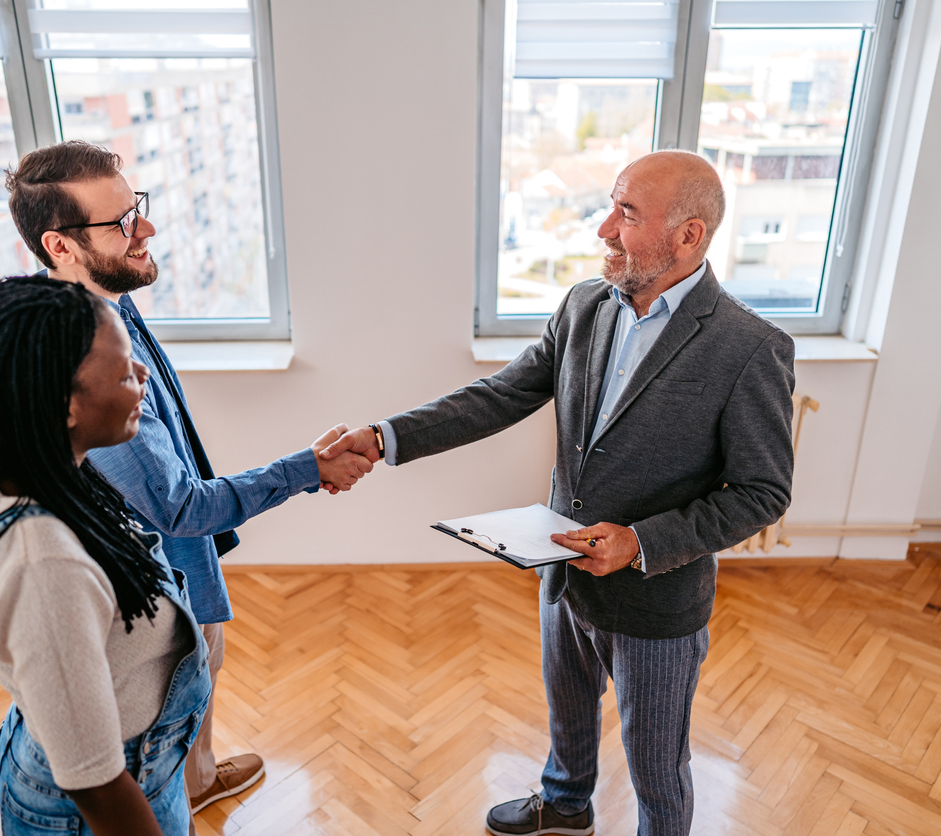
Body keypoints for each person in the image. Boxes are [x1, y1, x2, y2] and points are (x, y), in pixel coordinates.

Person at [321, 150, 796, 836]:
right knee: (567, 714)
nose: (604, 228)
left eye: (627, 213)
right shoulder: (584, 305)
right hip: (563, 573)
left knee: (657, 766)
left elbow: (761, 492)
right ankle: (566, 806)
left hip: (656, 597)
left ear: (688, 236)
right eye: (611, 205)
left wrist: (639, 542)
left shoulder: (750, 347)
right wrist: (384, 436)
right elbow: (502, 394)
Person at [2, 140, 372, 818]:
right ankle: (177, 784)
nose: (144, 229)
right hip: (150, 586)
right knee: (182, 681)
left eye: (136, 208)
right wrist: (306, 469)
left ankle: (197, 777)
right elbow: (177, 506)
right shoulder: (82, 363)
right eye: (119, 223)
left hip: (179, 558)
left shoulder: (109, 302)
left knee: (205, 663)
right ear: (59, 245)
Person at [0, 276, 210, 834]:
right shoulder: (43, 566)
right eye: (126, 367)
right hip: (107, 801)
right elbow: (96, 784)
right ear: (63, 406)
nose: (143, 376)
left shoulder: (34, 469)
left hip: (143, 767)